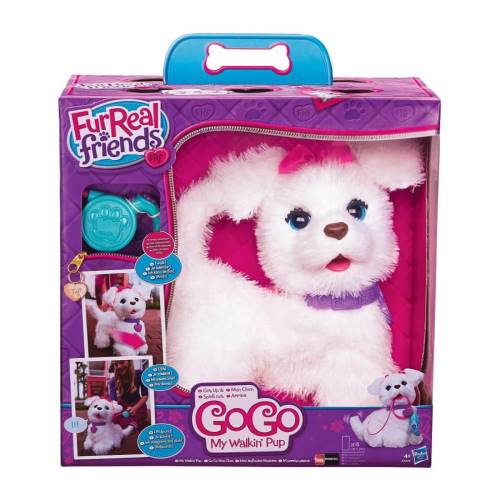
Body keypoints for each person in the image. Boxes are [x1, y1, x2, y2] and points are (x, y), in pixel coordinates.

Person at [109, 360, 149, 432]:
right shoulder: (113, 380)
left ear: (129, 361)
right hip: (122, 406)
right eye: (116, 364)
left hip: (137, 406)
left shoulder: (139, 374)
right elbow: (113, 401)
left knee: (135, 419)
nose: (119, 366)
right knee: (115, 419)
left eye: (122, 362)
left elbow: (145, 396)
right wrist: (116, 408)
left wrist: (134, 408)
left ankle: (130, 428)